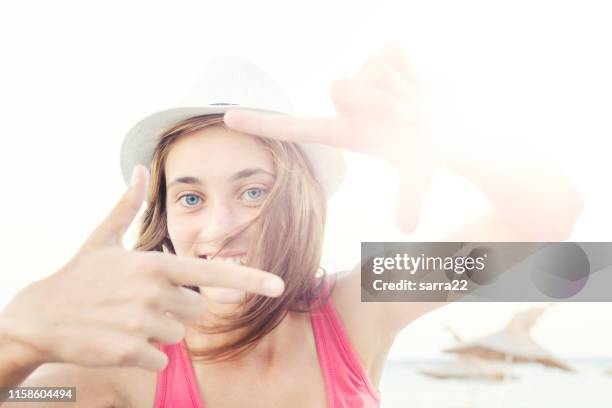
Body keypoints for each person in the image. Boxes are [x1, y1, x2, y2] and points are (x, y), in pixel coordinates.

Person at [0, 47, 583, 407]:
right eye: (191, 197)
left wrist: (458, 146)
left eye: (253, 191)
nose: (220, 227)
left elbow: (552, 221)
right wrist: (15, 339)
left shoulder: (359, 308)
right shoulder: (120, 371)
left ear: (299, 201)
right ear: (166, 216)